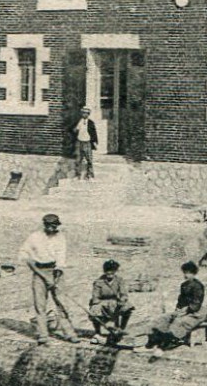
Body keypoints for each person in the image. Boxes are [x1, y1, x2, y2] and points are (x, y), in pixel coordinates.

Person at [18, 212, 78, 344]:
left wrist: (55, 277)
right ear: (45, 225)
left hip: (56, 272)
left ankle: (69, 333)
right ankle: (42, 334)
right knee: (40, 305)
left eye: (55, 226)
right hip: (39, 272)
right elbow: (26, 256)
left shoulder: (61, 237)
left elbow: (61, 258)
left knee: (61, 303)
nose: (52, 229)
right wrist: (43, 276)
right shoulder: (34, 237)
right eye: (50, 226)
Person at [147, 261, 206, 350]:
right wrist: (177, 310)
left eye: (189, 273)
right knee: (163, 318)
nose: (186, 275)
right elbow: (181, 300)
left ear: (194, 274)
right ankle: (155, 338)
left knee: (179, 322)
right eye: (185, 272)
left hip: (195, 313)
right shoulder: (184, 285)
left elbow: (196, 303)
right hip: (183, 310)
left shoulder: (198, 286)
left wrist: (185, 310)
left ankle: (171, 340)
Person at [87, 259, 134, 346]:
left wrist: (122, 301)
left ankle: (121, 329)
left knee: (128, 307)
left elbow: (124, 294)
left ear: (115, 271)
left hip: (115, 301)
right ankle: (98, 333)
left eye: (112, 271)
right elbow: (95, 297)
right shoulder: (98, 282)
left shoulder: (119, 280)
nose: (109, 274)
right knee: (95, 309)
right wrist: (102, 304)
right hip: (102, 302)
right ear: (105, 271)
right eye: (107, 271)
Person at [72, 108, 99, 180]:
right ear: (81, 114)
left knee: (89, 159)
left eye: (86, 113)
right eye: (83, 113)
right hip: (80, 141)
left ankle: (90, 175)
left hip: (87, 142)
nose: (85, 114)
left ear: (88, 114)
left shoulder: (90, 123)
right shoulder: (79, 121)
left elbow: (94, 133)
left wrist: (95, 142)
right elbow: (75, 130)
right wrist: (75, 130)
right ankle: (78, 175)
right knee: (78, 159)